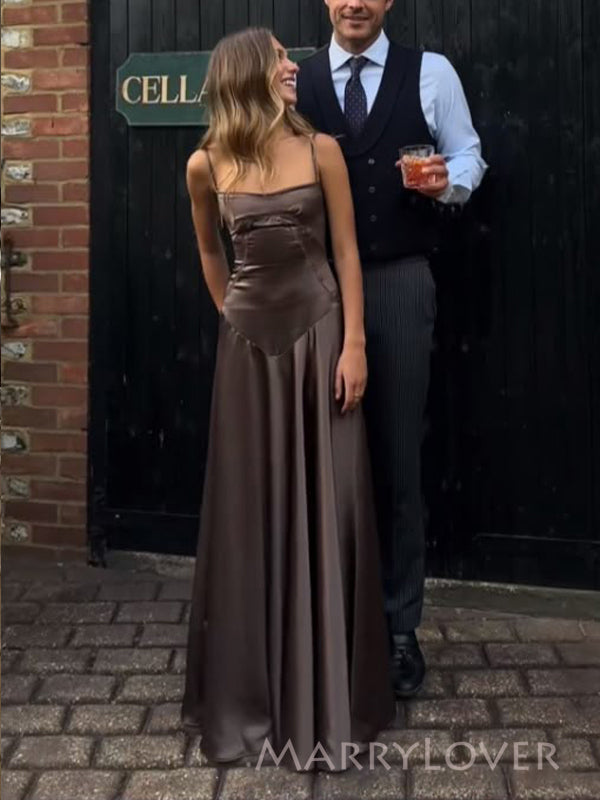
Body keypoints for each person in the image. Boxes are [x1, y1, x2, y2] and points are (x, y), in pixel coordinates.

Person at [181, 27, 395, 772]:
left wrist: (354, 343)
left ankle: (330, 689)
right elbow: (210, 251)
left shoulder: (321, 150)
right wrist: (233, 313)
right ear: (248, 74)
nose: (290, 65)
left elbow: (346, 252)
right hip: (251, 352)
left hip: (320, 337)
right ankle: (253, 693)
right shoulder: (205, 164)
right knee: (250, 506)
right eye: (278, 58)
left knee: (333, 504)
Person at [296, 0, 487, 698]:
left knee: (398, 460)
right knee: (319, 462)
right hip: (314, 289)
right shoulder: (296, 82)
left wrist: (449, 184)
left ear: (388, 2)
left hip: (402, 282)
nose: (355, 2)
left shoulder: (431, 72)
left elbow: (469, 154)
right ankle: (324, 622)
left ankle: (399, 628)